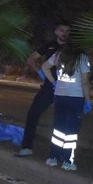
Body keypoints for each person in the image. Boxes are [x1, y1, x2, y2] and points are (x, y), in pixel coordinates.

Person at [15, 23, 71, 157]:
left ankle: (61, 154)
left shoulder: (72, 48)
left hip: (66, 87)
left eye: (68, 31)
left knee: (63, 121)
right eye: (62, 30)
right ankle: (27, 147)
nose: (65, 33)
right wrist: (40, 72)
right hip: (49, 86)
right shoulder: (49, 45)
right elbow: (31, 59)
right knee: (33, 114)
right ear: (56, 31)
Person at [41, 40, 91, 171]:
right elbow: (85, 82)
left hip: (59, 96)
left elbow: (44, 67)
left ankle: (53, 157)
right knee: (71, 131)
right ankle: (67, 161)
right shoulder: (82, 58)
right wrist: (88, 100)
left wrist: (54, 82)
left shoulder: (59, 55)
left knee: (58, 127)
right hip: (76, 98)